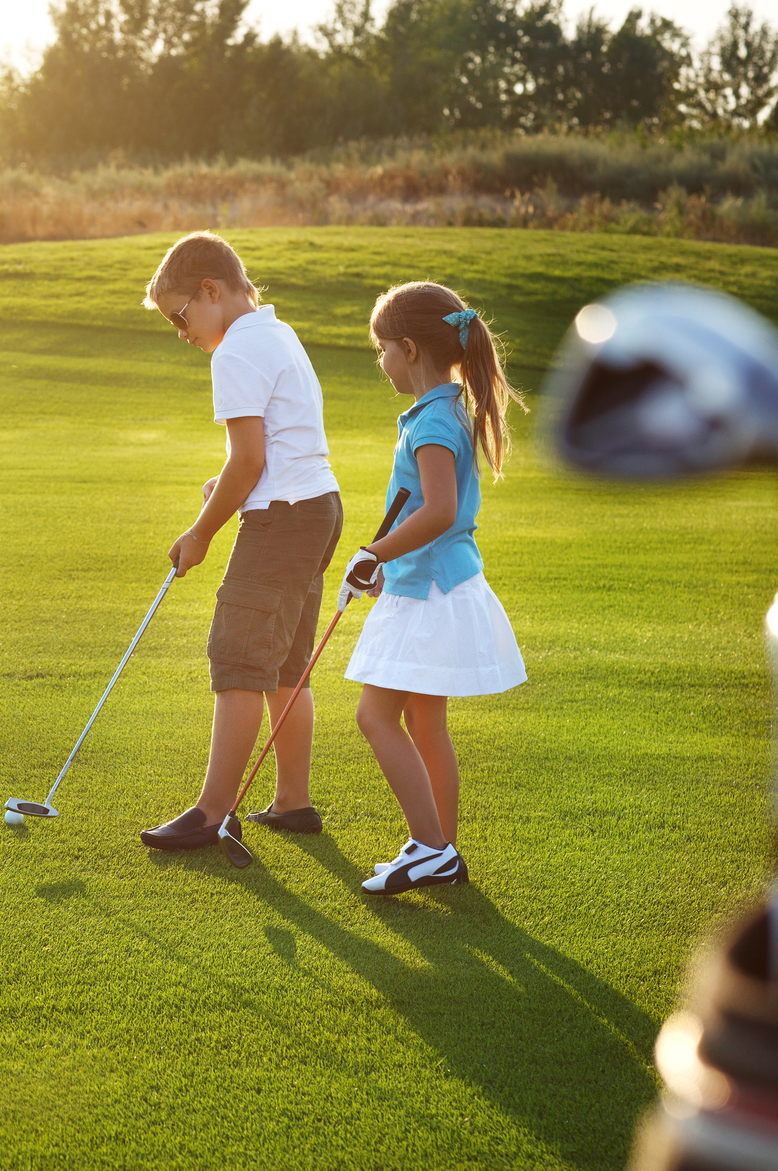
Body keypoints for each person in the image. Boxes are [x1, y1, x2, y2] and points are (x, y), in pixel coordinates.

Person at [138, 231, 345, 851]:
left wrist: (201, 532)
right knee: (286, 663)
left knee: (237, 659)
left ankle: (209, 813)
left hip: (283, 519)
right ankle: (292, 802)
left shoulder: (230, 354)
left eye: (181, 314)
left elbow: (250, 459)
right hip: (319, 508)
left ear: (211, 290)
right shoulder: (276, 333)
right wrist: (226, 484)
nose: (181, 331)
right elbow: (267, 449)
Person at [338, 281, 527, 895]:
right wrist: (386, 563)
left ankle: (430, 848)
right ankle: (440, 848)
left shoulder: (433, 422)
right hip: (431, 582)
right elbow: (429, 510)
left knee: (375, 716)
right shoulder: (442, 411)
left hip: (429, 593)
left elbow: (440, 510)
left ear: (410, 349)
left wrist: (373, 552)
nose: (381, 360)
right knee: (424, 722)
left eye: (383, 349)